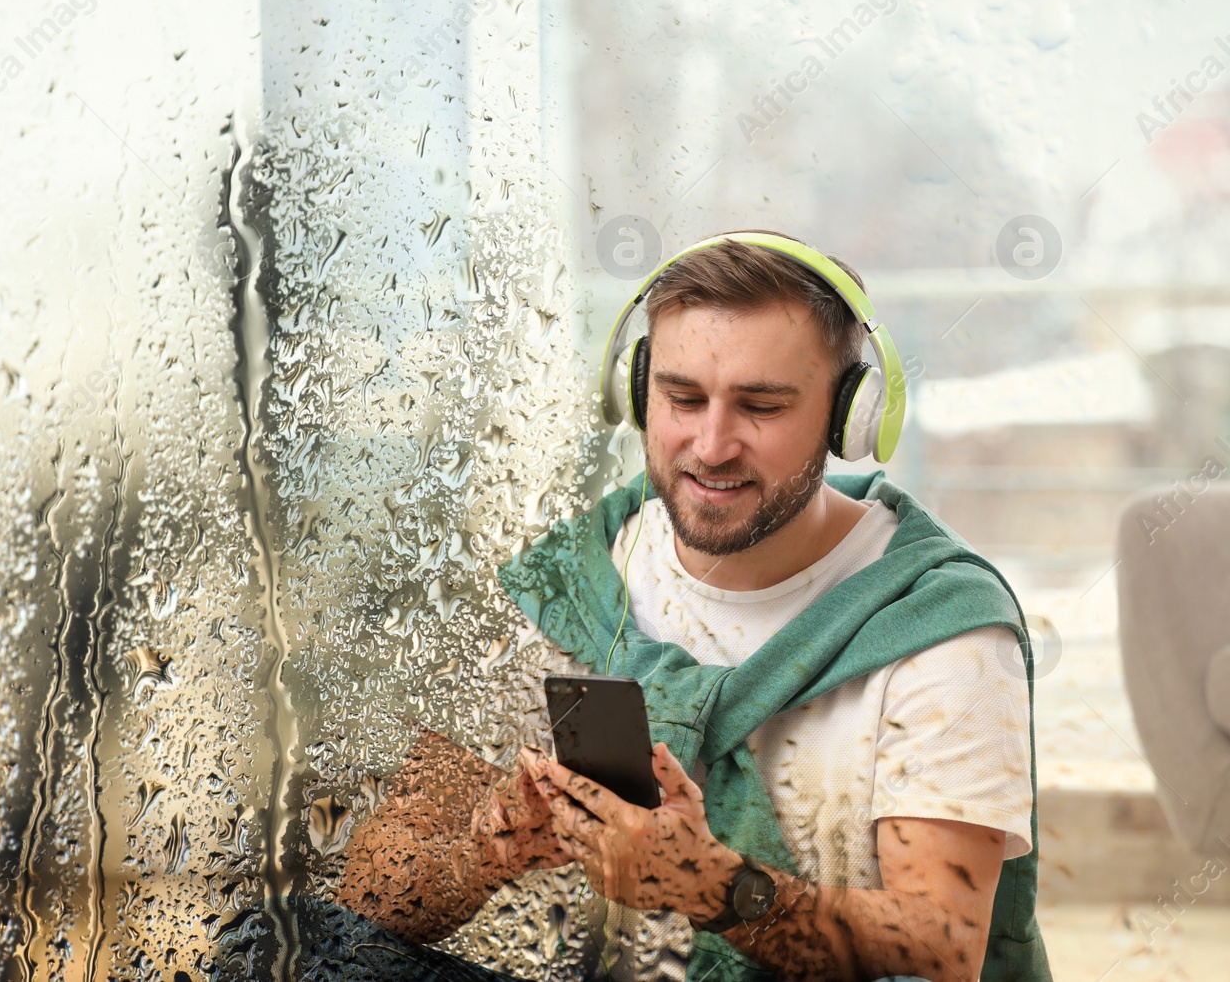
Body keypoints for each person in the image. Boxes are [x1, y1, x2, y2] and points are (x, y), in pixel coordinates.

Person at [335, 231, 1050, 982]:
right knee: (277, 941)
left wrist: (710, 886)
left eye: (761, 406)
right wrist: (480, 852)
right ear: (635, 390)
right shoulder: (572, 584)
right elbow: (371, 890)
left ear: (850, 417)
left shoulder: (936, 625)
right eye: (681, 398)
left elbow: (938, 947)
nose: (711, 445)